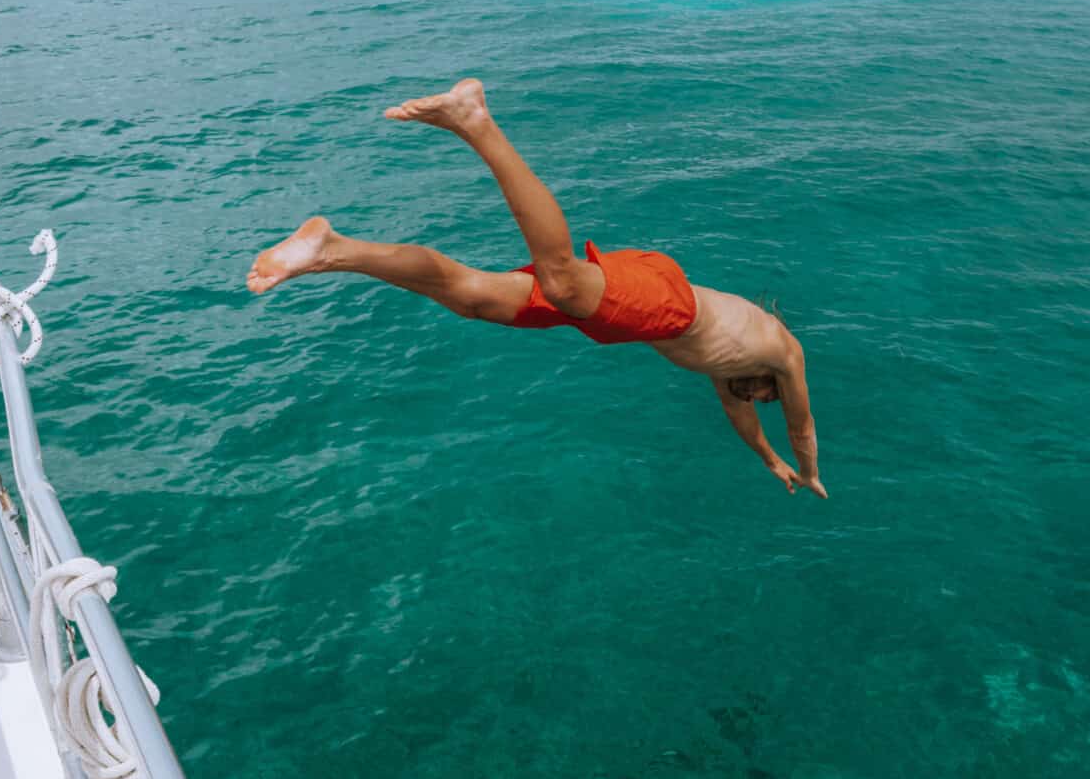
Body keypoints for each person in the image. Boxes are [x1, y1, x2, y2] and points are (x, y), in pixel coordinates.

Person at [247, 79, 826, 497]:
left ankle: (334, 249)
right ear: (771, 381)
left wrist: (771, 462)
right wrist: (810, 469)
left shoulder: (733, 378)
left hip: (651, 300)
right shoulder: (783, 353)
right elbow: (801, 420)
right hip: (670, 305)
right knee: (563, 278)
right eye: (766, 394)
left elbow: (743, 420)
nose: (759, 400)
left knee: (472, 298)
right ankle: (475, 119)